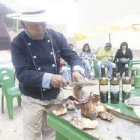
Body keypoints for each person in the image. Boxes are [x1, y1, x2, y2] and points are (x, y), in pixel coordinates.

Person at [8, 9, 84, 140]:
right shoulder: (18, 43)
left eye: (43, 23)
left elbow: (72, 56)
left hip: (55, 97)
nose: (40, 28)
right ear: (23, 24)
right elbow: (22, 74)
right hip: (32, 99)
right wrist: (49, 78)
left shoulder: (56, 36)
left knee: (53, 134)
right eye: (34, 25)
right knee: (32, 136)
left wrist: (76, 70)